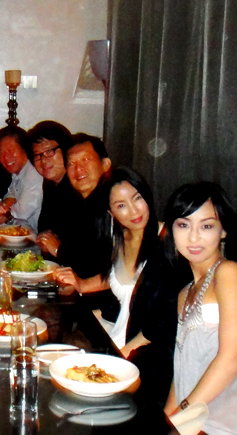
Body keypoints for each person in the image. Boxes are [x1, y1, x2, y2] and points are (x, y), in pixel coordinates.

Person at [54, 168, 192, 410]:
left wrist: (124, 352)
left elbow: (167, 316)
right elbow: (118, 280)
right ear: (111, 213)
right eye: (121, 206)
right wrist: (82, 285)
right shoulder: (122, 238)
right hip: (119, 337)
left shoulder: (169, 241)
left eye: (137, 198)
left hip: (150, 354)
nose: (134, 211)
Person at [162, 182, 237, 435]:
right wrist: (170, 413)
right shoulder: (185, 293)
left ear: (223, 231)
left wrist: (182, 416)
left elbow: (232, 359)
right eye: (183, 225)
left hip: (230, 426)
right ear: (171, 230)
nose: (194, 237)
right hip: (200, 415)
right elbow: (183, 362)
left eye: (207, 226)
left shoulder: (228, 273)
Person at [39, 133, 113, 282]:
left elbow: (100, 266)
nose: (78, 168)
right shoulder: (77, 202)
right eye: (72, 163)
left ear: (105, 164)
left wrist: (59, 250)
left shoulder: (113, 204)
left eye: (86, 160)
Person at [28, 121, 75, 234]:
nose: (43, 160)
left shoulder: (77, 187)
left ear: (65, 150)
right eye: (37, 155)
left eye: (49, 151)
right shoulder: (50, 185)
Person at [0, 125, 44, 229]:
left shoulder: (34, 174)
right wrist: (6, 203)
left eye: (11, 151)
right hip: (21, 231)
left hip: (35, 235)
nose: (6, 158)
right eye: (2, 153)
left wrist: (5, 212)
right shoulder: (18, 172)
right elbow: (11, 193)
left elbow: (21, 213)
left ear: (24, 149)